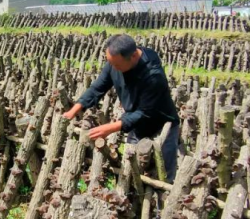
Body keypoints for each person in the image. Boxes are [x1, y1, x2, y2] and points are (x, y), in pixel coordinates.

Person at [62, 34, 181, 182]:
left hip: (162, 125)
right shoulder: (116, 61)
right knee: (131, 172)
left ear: (132, 57)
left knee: (165, 176)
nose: (113, 68)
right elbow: (99, 86)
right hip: (135, 124)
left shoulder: (153, 75)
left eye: (116, 65)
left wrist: (110, 128)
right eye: (111, 64)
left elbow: (145, 112)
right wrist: (74, 110)